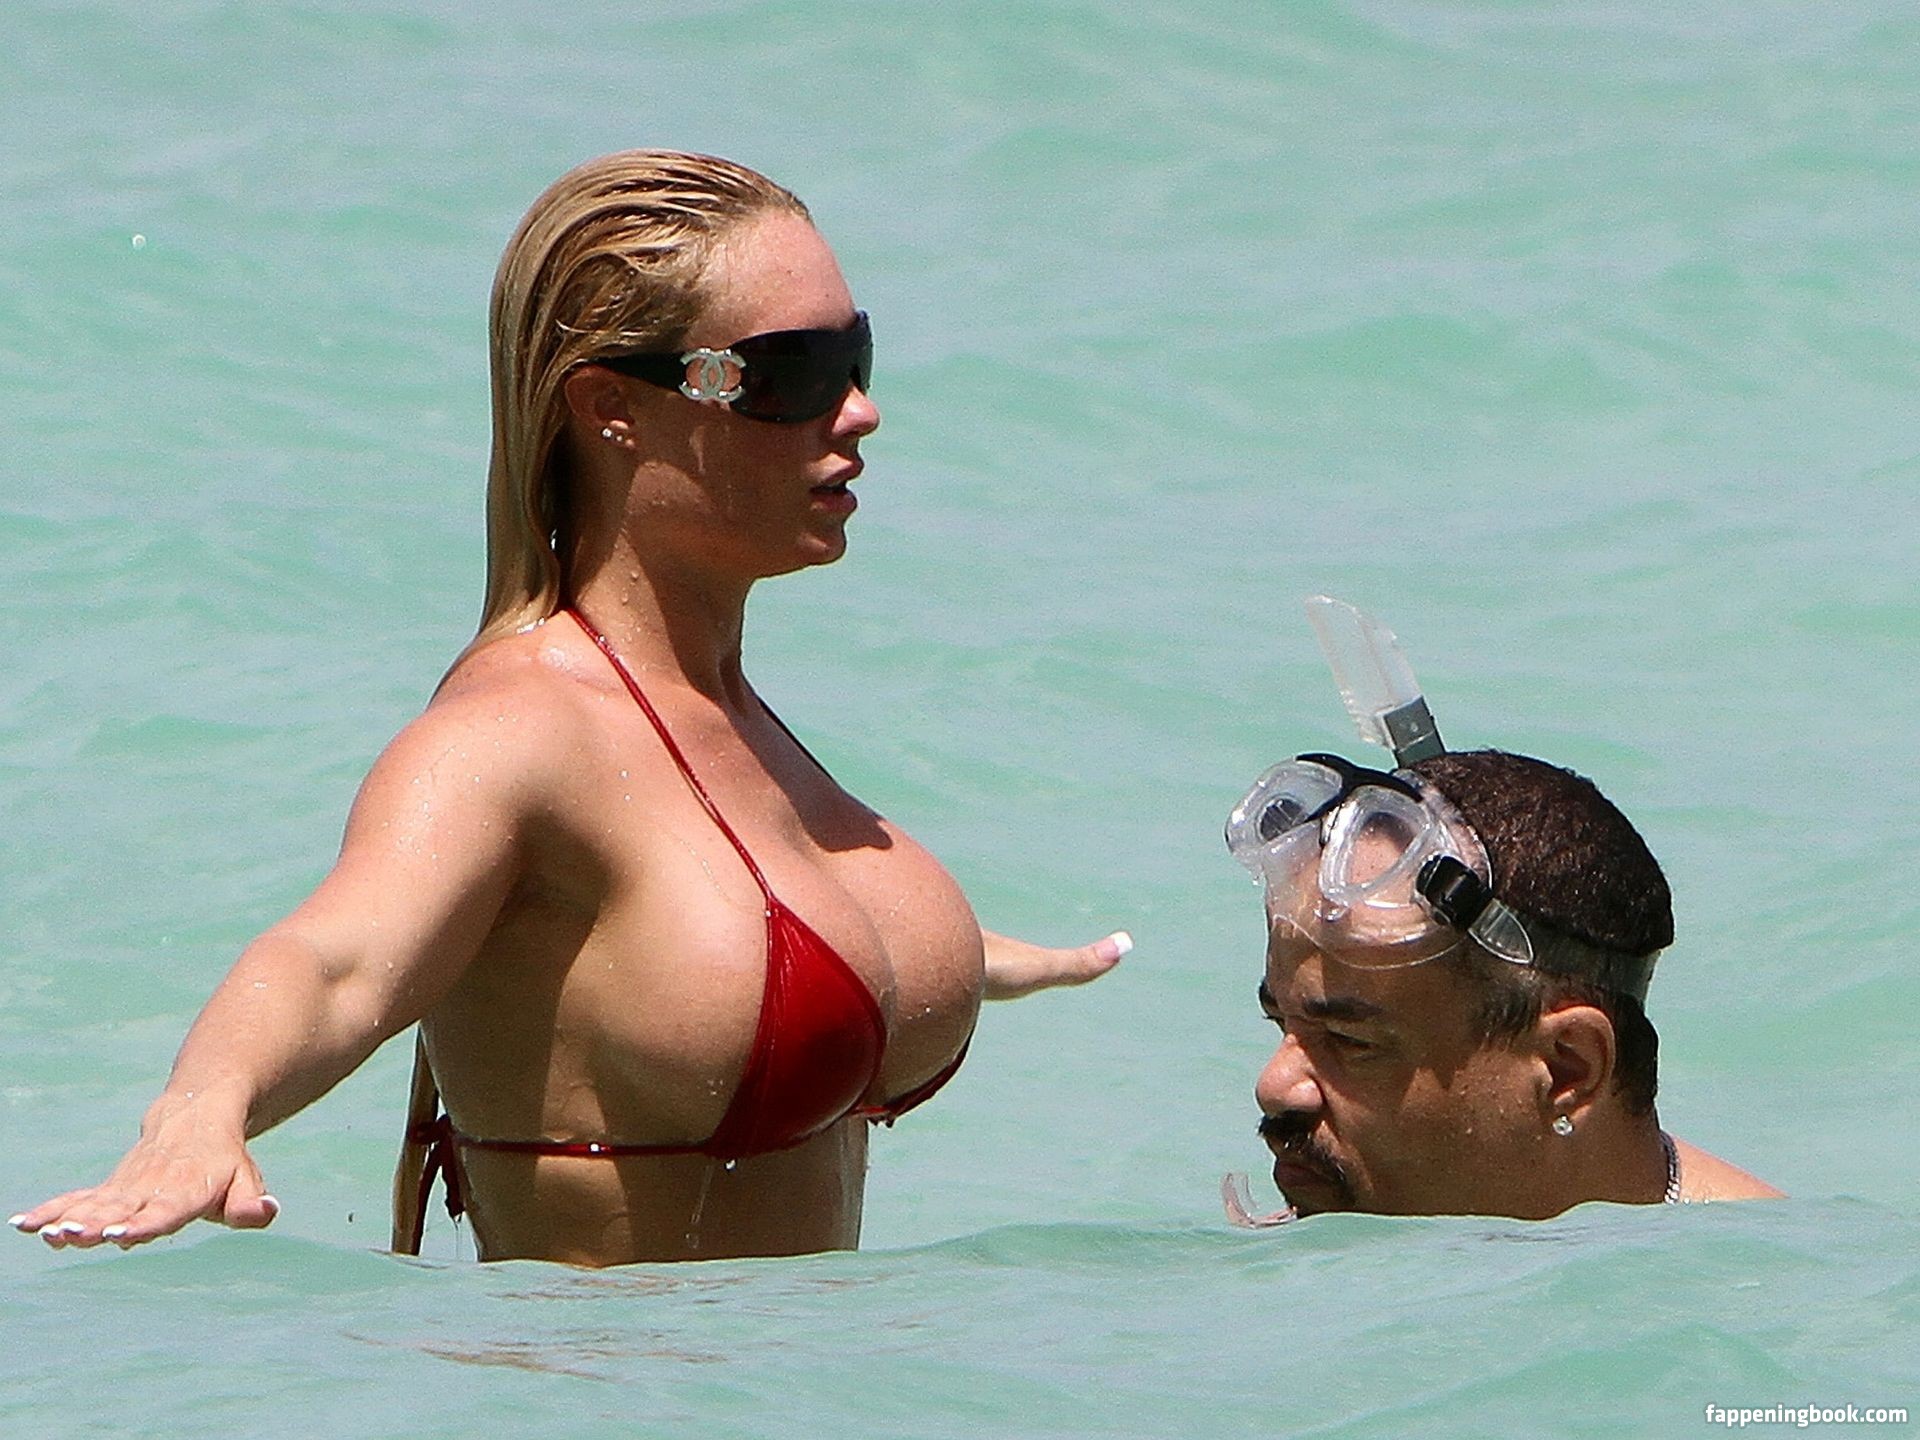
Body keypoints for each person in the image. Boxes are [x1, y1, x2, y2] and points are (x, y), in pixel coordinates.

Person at [11, 150, 1126, 1267]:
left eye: (855, 357)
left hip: (805, 1368)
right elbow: (335, 959)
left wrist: (936, 951)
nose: (861, 411)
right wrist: (202, 1107)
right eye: (787, 374)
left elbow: (676, 934)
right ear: (611, 407)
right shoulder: (515, 734)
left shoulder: (722, 718)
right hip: (591, 1371)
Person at [1226, 746, 1778, 1220]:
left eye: (1352, 1041)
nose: (1274, 1087)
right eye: (1282, 1023)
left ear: (1568, 1067)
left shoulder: (1755, 1292)